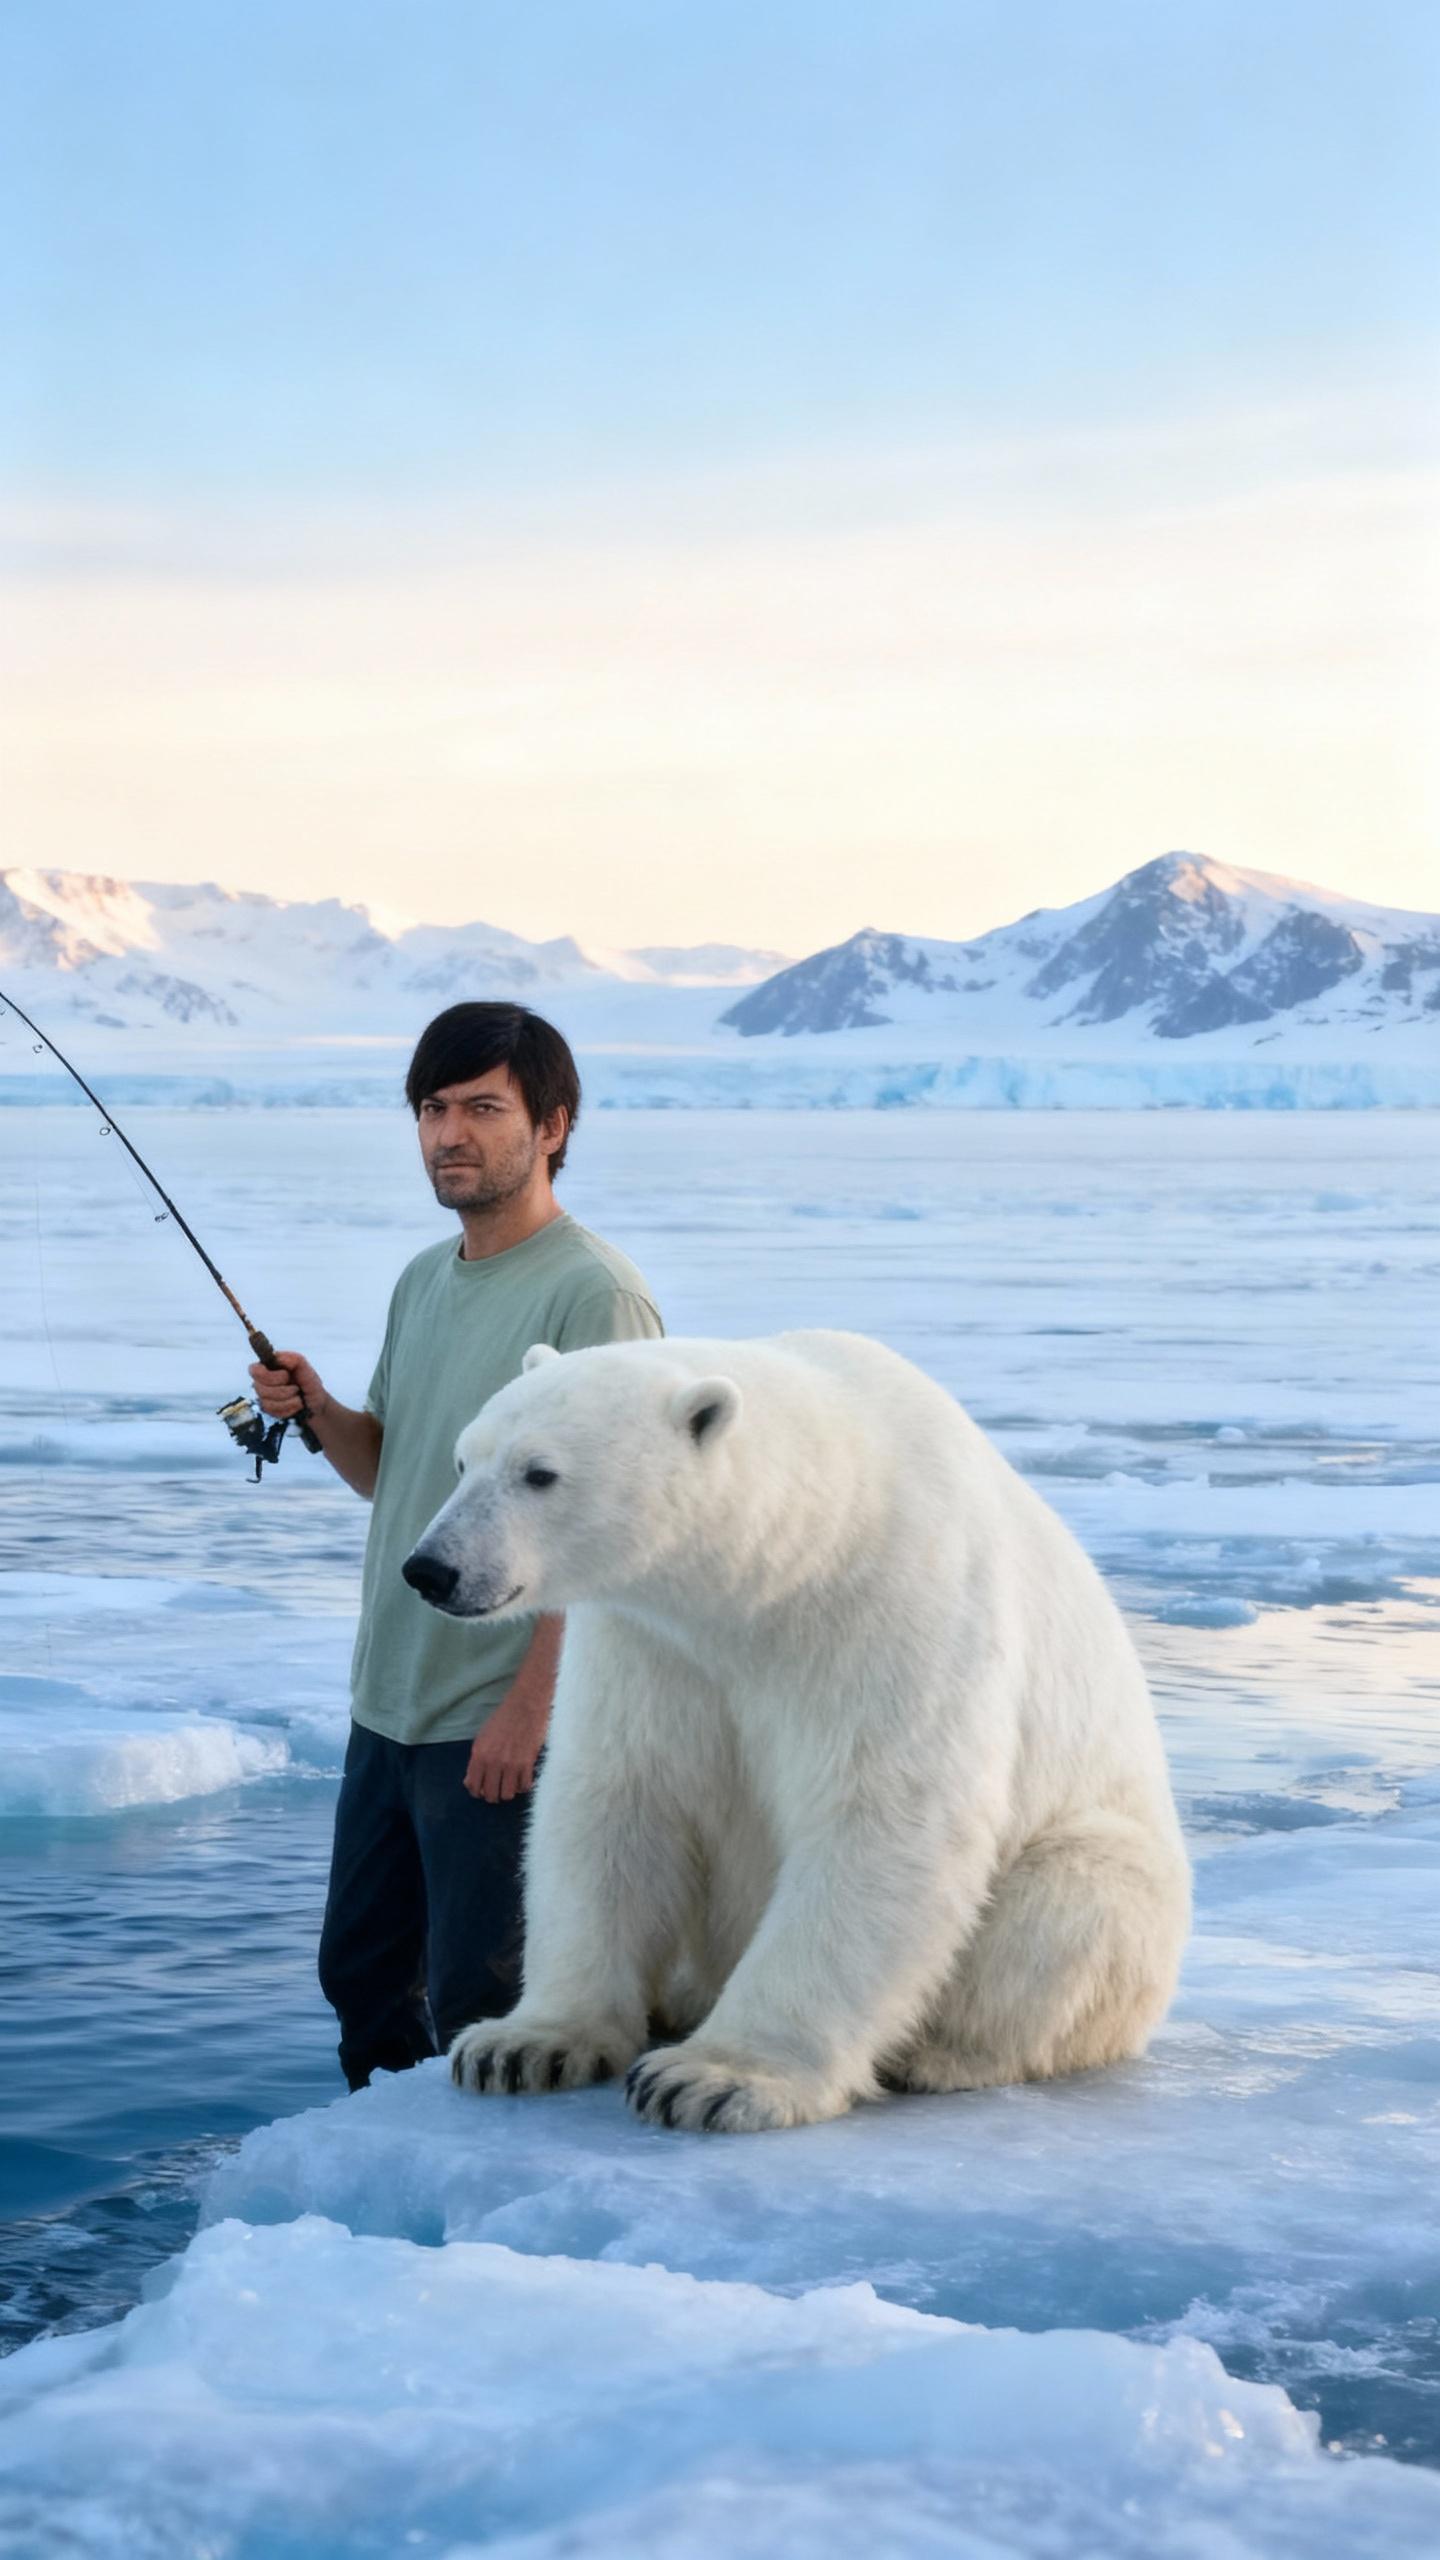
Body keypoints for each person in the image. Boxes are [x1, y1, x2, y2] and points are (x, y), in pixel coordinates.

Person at [250, 1001, 664, 2090]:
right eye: (433, 1109)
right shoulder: (424, 1279)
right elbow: (388, 1474)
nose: (449, 1135)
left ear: (553, 1126)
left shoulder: (596, 1294)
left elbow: (622, 1537)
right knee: (362, 1979)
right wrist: (319, 1409)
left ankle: (505, 2192)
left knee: (489, 2004)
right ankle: (395, 2189)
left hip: (496, 1717)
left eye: (484, 1108)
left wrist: (530, 1711)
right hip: (390, 1701)